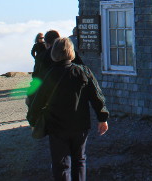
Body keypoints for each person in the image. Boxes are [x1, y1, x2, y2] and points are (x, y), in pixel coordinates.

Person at [27, 37, 109, 181]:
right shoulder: (83, 72)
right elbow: (97, 96)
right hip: (80, 125)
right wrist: (102, 118)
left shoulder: (50, 74)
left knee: (61, 164)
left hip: (56, 126)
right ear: (71, 52)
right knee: (80, 160)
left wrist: (33, 121)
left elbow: (38, 101)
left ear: (54, 53)